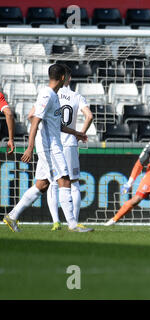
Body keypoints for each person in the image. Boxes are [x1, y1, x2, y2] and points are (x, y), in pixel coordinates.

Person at [2, 64, 93, 233]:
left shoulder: (55, 96)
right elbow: (35, 120)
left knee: (42, 184)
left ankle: (12, 216)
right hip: (49, 147)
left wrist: (77, 133)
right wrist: (30, 148)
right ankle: (72, 224)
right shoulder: (47, 94)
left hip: (52, 145)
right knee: (65, 179)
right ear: (63, 78)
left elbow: (57, 124)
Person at [35, 64, 93, 231]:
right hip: (69, 144)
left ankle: (56, 222)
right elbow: (89, 116)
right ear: (69, 77)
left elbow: (33, 115)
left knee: (53, 183)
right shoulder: (76, 96)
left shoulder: (51, 94)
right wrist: (80, 133)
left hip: (51, 143)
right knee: (72, 183)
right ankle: (73, 221)